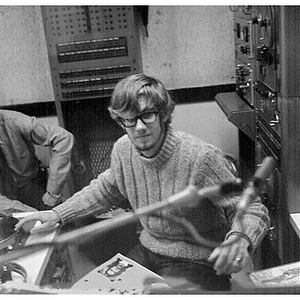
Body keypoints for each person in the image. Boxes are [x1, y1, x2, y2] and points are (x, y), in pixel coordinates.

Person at [15, 74, 270, 291]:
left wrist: (239, 239)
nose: (139, 127)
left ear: (164, 114)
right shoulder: (123, 150)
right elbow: (106, 189)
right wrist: (57, 213)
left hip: (198, 261)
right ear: (120, 120)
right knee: (97, 292)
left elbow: (252, 208)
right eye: (129, 118)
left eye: (147, 115)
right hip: (147, 250)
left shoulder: (200, 157)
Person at [0, 109, 74, 211]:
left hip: (30, 184)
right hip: (2, 197)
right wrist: (24, 211)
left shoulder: (14, 120)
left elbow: (63, 138)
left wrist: (53, 192)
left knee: (61, 220)